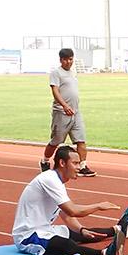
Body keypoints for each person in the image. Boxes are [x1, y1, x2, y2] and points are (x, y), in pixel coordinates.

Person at [12, 145, 128, 255]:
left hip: (43, 229)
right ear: (62, 163)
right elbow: (72, 211)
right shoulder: (50, 180)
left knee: (79, 234)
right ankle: (106, 254)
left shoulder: (56, 181)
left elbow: (66, 214)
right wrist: (98, 206)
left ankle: (117, 230)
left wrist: (81, 230)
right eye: (75, 163)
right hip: (27, 236)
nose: (79, 168)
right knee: (67, 244)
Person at [42, 48, 96, 177]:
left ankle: (82, 166)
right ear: (61, 60)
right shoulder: (56, 73)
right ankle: (44, 161)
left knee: (81, 140)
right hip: (61, 112)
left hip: (76, 112)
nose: (68, 62)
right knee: (56, 141)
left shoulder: (73, 71)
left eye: (70, 59)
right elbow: (55, 91)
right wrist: (65, 105)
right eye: (65, 59)